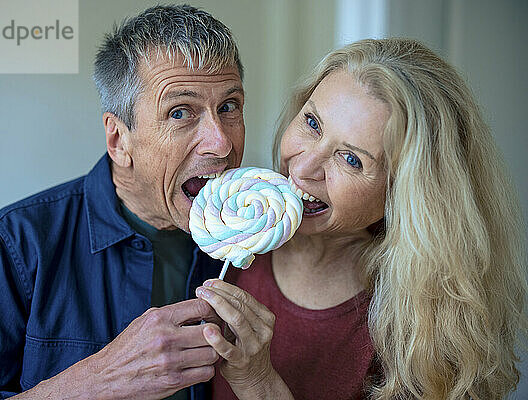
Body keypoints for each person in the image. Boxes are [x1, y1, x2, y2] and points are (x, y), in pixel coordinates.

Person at [0, 5, 246, 400]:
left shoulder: (259, 247)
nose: (222, 143)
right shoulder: (17, 243)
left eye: (229, 107)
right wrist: (96, 382)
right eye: (180, 112)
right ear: (118, 140)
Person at [195, 38, 527, 400]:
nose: (302, 167)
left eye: (351, 159)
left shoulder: (423, 328)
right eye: (312, 123)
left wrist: (260, 385)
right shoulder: (228, 233)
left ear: (405, 193)